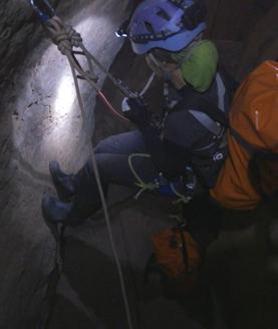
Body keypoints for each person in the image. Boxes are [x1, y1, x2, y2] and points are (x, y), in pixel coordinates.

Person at [42, 0, 233, 258]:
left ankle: (71, 215)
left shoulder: (185, 117)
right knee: (104, 148)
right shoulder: (210, 71)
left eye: (147, 56)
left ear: (160, 60)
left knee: (101, 167)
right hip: (180, 143)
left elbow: (169, 166)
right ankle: (74, 185)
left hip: (181, 173)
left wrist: (143, 121)